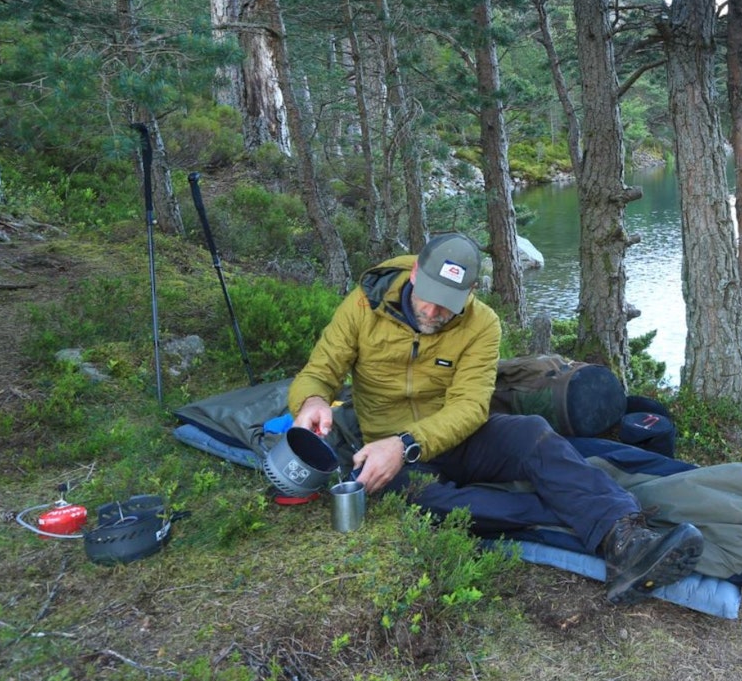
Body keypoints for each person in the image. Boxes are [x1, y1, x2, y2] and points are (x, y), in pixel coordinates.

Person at [287, 233, 703, 604]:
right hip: (385, 445)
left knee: (532, 434)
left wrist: (408, 443)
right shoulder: (364, 304)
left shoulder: (483, 323)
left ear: (469, 292)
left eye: (448, 304)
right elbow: (320, 371)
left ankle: (625, 542)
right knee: (423, 500)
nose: (433, 311)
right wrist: (311, 402)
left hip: (456, 436)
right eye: (428, 296)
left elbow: (469, 407)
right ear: (415, 271)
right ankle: (570, 514)